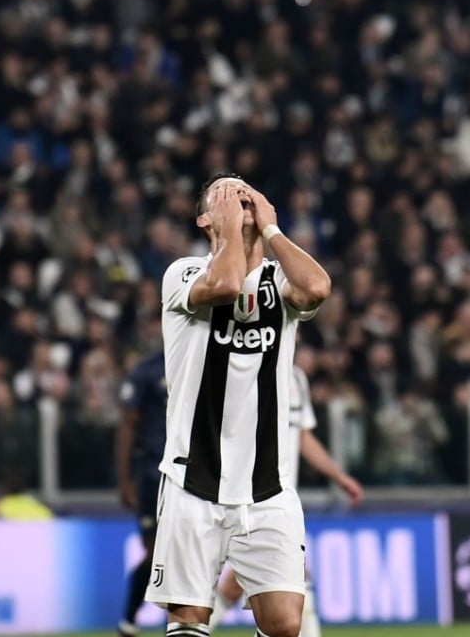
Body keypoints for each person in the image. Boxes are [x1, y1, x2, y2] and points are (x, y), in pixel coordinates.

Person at [146, 174, 331, 637]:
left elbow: (318, 288)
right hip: (193, 480)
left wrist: (271, 231)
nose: (238, 196)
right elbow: (227, 284)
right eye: (224, 194)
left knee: (286, 624)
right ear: (204, 218)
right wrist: (231, 230)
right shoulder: (183, 274)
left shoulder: (278, 283)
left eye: (244, 190)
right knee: (189, 619)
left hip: (266, 488)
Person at [208, 364, 363, 633]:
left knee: (279, 578)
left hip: (282, 500)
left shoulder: (297, 379)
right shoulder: (241, 366)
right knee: (281, 578)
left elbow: (303, 436)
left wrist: (338, 476)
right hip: (244, 496)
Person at [115, 322, 167, 637]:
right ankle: (129, 620)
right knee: (157, 552)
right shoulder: (148, 372)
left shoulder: (198, 362)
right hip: (152, 473)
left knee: (186, 553)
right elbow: (127, 425)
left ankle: (180, 623)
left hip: (193, 476)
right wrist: (125, 481)